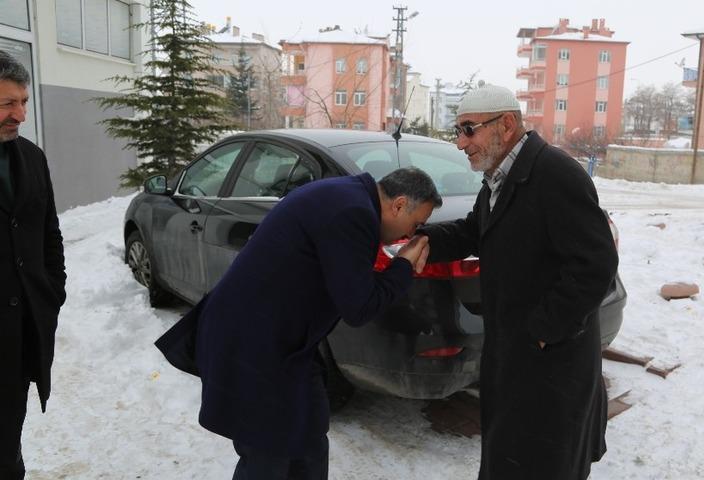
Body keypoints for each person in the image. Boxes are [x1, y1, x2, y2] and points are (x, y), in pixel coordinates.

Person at [157, 167, 441, 479]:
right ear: (399, 205)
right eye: (415, 224)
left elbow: (347, 277)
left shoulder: (349, 195)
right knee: (270, 459)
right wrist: (403, 264)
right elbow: (359, 307)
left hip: (283, 345)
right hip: (253, 348)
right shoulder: (354, 213)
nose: (409, 235)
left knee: (308, 441)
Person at [417, 85, 618, 480]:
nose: (461, 143)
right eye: (458, 131)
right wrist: (424, 239)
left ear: (506, 124)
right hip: (515, 355)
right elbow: (476, 230)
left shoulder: (555, 174)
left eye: (469, 129)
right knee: (510, 458)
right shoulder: (502, 176)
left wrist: (542, 331)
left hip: (551, 366)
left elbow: (595, 264)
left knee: (541, 463)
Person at [0, 51, 67, 479]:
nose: (20, 115)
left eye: (23, 102)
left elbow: (49, 233)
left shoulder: (32, 156)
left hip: (21, 336)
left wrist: (52, 292)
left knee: (8, 445)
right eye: (8, 103)